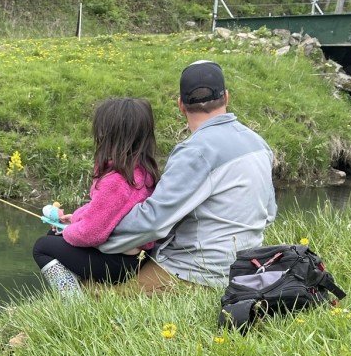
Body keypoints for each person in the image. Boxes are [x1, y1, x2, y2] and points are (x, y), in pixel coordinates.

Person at [99, 60, 276, 292]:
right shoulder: (258, 144)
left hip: (198, 274)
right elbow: (269, 213)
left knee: (99, 293)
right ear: (226, 97)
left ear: (181, 105)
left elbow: (152, 222)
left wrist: (95, 229)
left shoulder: (195, 152)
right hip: (246, 268)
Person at [32, 96, 159, 295]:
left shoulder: (116, 181)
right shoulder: (141, 171)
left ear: (109, 136)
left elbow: (92, 233)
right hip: (137, 256)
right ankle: (77, 285)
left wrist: (69, 230)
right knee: (55, 235)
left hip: (118, 264)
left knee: (41, 246)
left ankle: (72, 300)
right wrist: (74, 218)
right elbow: (105, 211)